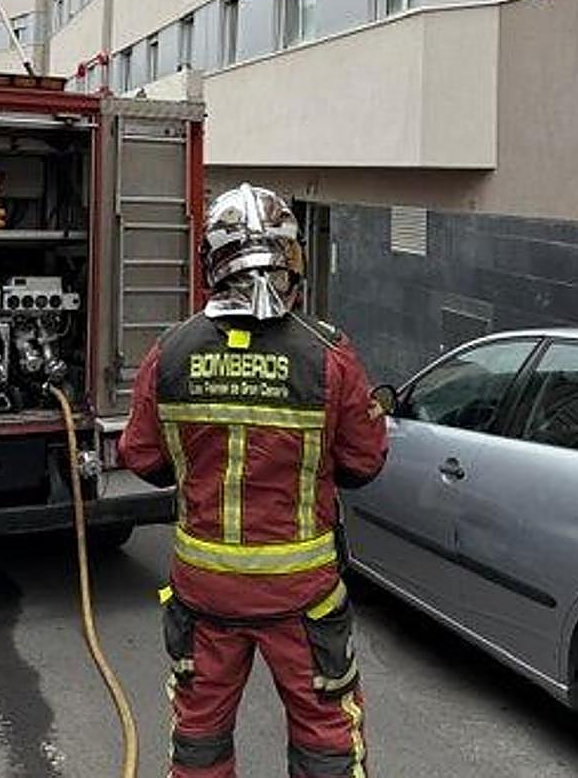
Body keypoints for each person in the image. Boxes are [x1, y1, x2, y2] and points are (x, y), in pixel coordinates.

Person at [119, 184, 388, 778]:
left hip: (204, 591)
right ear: (292, 258)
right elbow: (365, 464)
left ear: (211, 263)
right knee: (326, 735)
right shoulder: (329, 356)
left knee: (200, 735)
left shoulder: (170, 353)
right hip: (303, 594)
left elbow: (141, 458)